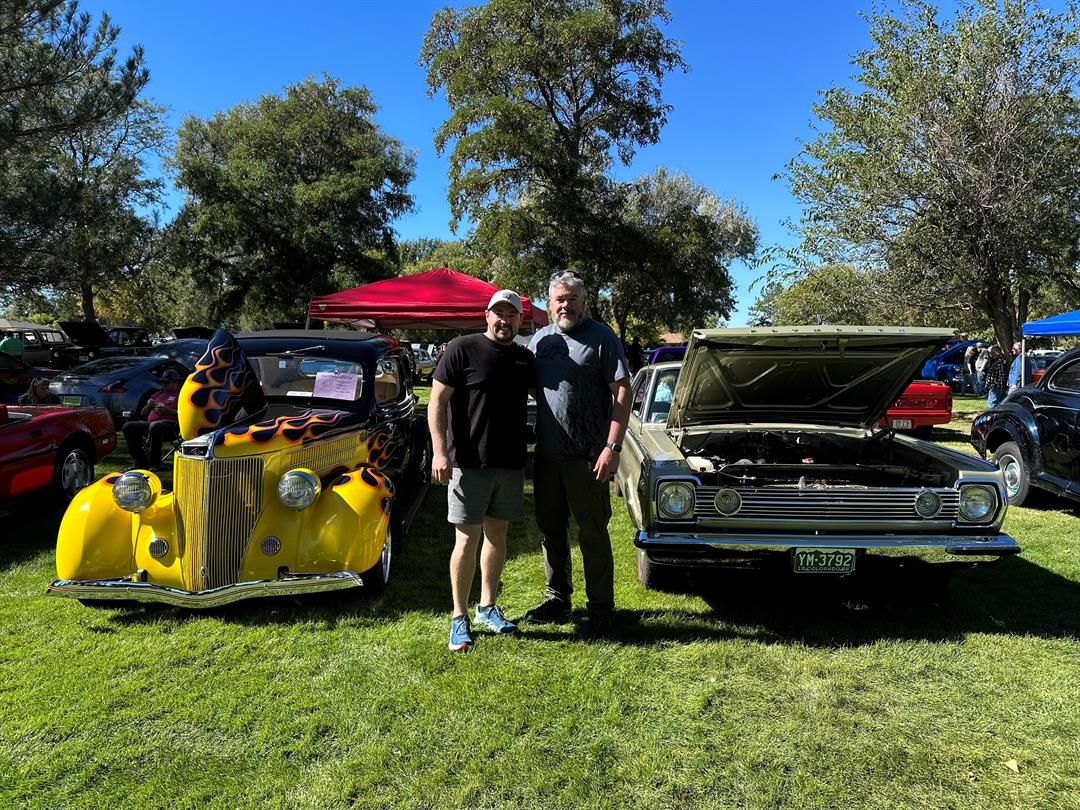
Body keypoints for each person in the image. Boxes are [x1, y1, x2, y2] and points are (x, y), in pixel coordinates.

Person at [525, 270, 631, 640]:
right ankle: (558, 598)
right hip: (548, 457)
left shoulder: (602, 338)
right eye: (559, 299)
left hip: (589, 456)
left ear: (584, 301)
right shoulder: (539, 341)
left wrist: (612, 446)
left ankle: (601, 608)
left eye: (571, 298)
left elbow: (622, 392)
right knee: (551, 530)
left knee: (593, 533)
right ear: (549, 303)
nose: (565, 305)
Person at [428, 290, 535, 652]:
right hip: (468, 464)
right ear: (486, 315)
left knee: (498, 534)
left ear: (521, 321)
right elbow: (437, 402)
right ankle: (459, 618)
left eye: (512, 315)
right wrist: (440, 453)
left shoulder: (524, 358)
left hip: (508, 464)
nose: (504, 320)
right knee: (467, 539)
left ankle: (487, 607)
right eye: (498, 313)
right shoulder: (462, 348)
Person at [122, 368, 182, 471]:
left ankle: (156, 463)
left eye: (166, 382)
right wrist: (149, 406)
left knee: (155, 426)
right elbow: (143, 413)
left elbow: (184, 413)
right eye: (162, 382)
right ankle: (141, 462)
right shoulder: (157, 394)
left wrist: (168, 411)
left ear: (175, 383)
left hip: (171, 427)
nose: (164, 385)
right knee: (128, 427)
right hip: (151, 424)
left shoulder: (181, 395)